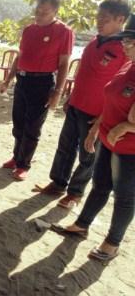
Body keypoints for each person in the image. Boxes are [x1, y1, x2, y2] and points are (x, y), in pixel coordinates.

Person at [34, 0, 131, 209]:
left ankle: (75, 193)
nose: (98, 21)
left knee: (88, 155)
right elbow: (83, 74)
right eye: (98, 16)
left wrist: (103, 117)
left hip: (97, 113)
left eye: (104, 18)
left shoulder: (125, 50)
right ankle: (58, 182)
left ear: (120, 19)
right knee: (65, 147)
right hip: (77, 104)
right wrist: (71, 96)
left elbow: (121, 88)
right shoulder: (95, 42)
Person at [53, 15, 135, 263]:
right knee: (100, 185)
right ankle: (82, 224)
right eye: (125, 41)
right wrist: (97, 128)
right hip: (108, 139)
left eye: (130, 42)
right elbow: (111, 99)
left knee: (125, 196)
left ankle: (112, 243)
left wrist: (125, 127)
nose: (124, 46)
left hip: (129, 148)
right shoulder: (128, 66)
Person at [0, 0, 74, 181]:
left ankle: (24, 165)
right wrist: (8, 80)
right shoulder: (29, 30)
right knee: (18, 123)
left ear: (55, 11)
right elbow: (20, 56)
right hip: (23, 81)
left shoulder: (64, 32)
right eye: (38, 11)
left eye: (45, 12)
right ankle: (16, 157)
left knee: (33, 126)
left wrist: (58, 91)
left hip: (43, 83)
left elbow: (64, 63)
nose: (39, 15)